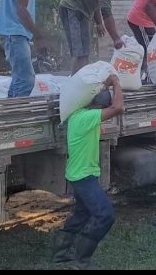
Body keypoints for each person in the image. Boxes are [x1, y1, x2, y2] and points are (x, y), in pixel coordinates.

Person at [50, 74, 124, 270]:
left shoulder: (80, 114)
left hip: (79, 173)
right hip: (83, 176)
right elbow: (118, 108)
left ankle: (60, 254)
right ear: (99, 107)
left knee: (82, 214)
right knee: (105, 215)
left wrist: (104, 85)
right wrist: (116, 83)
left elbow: (107, 106)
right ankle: (81, 261)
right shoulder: (86, 118)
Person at [59, 0, 135, 75]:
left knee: (85, 51)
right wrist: (116, 39)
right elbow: (107, 12)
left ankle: (81, 78)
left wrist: (99, 23)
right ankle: (73, 80)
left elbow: (96, 1)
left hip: (84, 12)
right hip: (70, 9)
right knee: (78, 51)